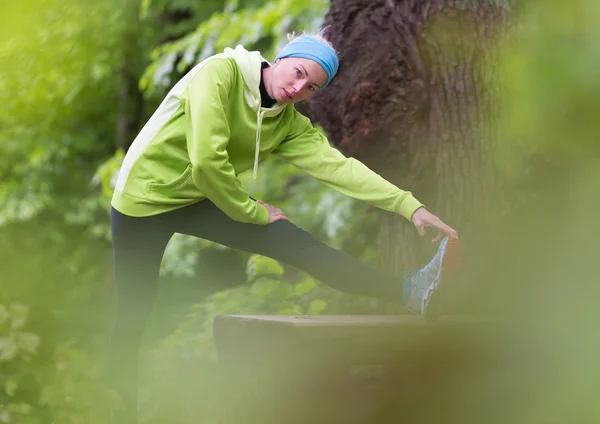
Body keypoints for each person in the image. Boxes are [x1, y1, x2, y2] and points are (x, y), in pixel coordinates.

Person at [107, 32, 461, 422]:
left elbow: (338, 168)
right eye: (297, 73)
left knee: (298, 244)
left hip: (202, 197)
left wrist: (409, 207)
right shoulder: (219, 75)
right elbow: (206, 161)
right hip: (144, 199)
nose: (296, 88)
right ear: (281, 58)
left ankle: (410, 291)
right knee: (135, 311)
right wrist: (249, 210)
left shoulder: (287, 125)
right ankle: (120, 408)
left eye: (310, 86)